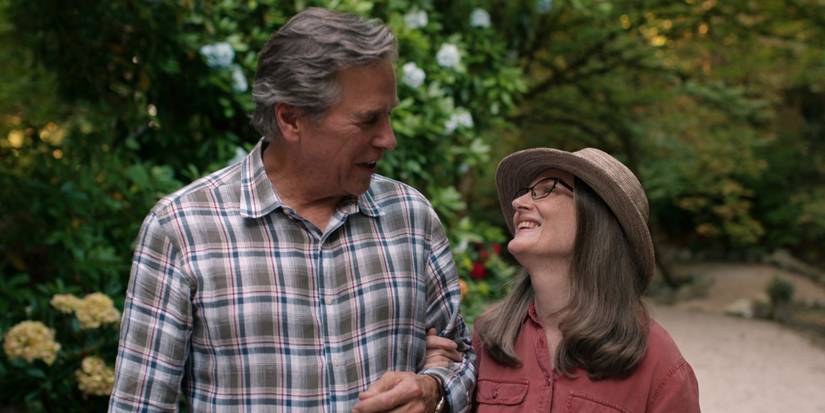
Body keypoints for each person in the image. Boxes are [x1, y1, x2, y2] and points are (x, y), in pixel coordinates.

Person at [109, 8, 475, 413]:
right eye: (368, 119)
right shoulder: (182, 228)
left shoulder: (410, 216)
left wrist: (434, 391)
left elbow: (460, 356)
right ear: (291, 118)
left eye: (389, 115)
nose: (387, 138)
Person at [426, 147, 700, 412]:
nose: (517, 203)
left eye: (546, 189)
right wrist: (437, 387)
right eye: (524, 192)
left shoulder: (658, 363)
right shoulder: (488, 336)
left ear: (596, 216)